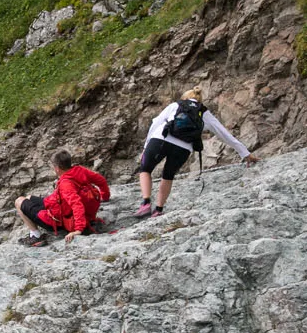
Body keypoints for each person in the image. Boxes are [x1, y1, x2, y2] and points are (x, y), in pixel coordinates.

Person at [135, 88, 258, 218]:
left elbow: (156, 122)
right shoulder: (203, 112)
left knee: (145, 169)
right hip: (184, 147)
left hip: (161, 139)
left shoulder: (176, 105)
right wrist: (245, 153)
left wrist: (146, 146)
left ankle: (146, 203)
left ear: (185, 97)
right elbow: (223, 133)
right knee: (168, 175)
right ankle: (158, 209)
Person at [15, 150, 111, 246]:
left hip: (58, 220)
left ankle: (35, 236)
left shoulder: (66, 184)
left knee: (19, 201)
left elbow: (77, 204)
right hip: (58, 206)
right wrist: (105, 196)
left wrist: (78, 229)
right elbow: (101, 180)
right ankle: (35, 233)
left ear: (57, 168)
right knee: (28, 197)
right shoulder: (79, 170)